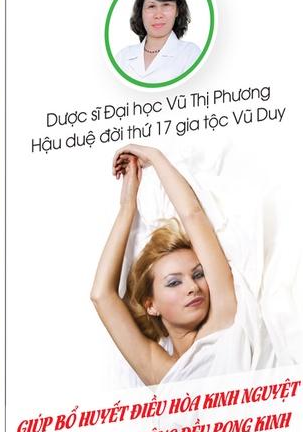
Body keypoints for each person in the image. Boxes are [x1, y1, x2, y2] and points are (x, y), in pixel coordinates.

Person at [91, 145, 238, 385]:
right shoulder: (160, 372)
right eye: (174, 282)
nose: (193, 287)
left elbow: (193, 216)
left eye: (198, 274)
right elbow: (101, 296)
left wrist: (155, 157)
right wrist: (127, 207)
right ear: (151, 305)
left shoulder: (222, 319)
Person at [114, 0, 201, 83]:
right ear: (141, 12)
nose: (158, 15)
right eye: (151, 6)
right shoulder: (122, 57)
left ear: (177, 11)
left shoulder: (191, 54)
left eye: (166, 5)